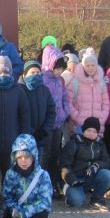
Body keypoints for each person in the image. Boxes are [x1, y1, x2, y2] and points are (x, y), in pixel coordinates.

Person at [2, 134, 53, 218]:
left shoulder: (43, 175)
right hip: (19, 212)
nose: (24, 160)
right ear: (15, 157)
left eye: (27, 157)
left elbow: (45, 202)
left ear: (34, 157)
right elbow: (7, 197)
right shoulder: (10, 174)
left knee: (41, 217)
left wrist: (26, 213)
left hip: (34, 212)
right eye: (20, 157)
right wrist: (16, 210)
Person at [60, 117, 110, 212]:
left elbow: (107, 161)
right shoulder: (74, 143)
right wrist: (71, 179)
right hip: (74, 179)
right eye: (89, 130)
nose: (91, 134)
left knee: (107, 175)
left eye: (94, 131)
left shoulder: (100, 144)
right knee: (77, 202)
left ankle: (97, 199)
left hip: (90, 178)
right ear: (83, 130)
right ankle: (70, 197)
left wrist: (96, 165)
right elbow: (64, 164)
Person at [41, 48, 71, 193]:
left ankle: (54, 182)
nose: (59, 72)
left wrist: (66, 111)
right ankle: (44, 184)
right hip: (47, 124)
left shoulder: (60, 80)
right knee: (45, 155)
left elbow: (65, 96)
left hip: (59, 123)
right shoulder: (43, 79)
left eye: (61, 69)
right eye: (57, 68)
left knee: (55, 154)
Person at [20, 60, 56, 176]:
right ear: (25, 75)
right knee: (23, 170)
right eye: (32, 72)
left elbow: (51, 111)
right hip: (24, 140)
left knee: (37, 168)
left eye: (38, 72)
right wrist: (30, 132)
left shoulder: (45, 90)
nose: (35, 74)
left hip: (41, 138)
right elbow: (17, 115)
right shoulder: (19, 90)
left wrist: (45, 130)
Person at [68, 48, 110, 138]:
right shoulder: (75, 82)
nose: (90, 68)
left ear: (96, 66)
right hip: (79, 126)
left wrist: (102, 118)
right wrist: (77, 117)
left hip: (97, 127)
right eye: (87, 65)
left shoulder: (101, 83)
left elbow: (106, 103)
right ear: (83, 66)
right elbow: (68, 102)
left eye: (93, 65)